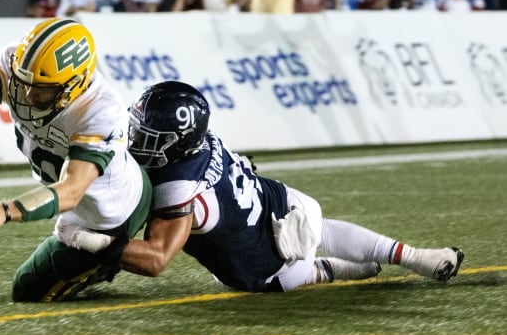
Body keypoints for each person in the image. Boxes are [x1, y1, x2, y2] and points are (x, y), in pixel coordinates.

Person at [96, 81, 464, 293]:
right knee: (323, 233)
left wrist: (95, 245)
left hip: (265, 260)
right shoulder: (201, 139)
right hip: (273, 202)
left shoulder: (179, 188)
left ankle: (403, 260)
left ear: (177, 141)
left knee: (300, 257)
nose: (136, 137)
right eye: (137, 126)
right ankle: (397, 259)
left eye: (148, 134)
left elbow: (157, 257)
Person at [0, 17, 152, 302]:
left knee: (28, 291)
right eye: (24, 83)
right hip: (83, 204)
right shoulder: (18, 65)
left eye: (43, 89)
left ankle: (106, 253)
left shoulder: (99, 111)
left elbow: (70, 190)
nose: (29, 96)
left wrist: (6, 210)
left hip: (111, 213)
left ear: (74, 87)